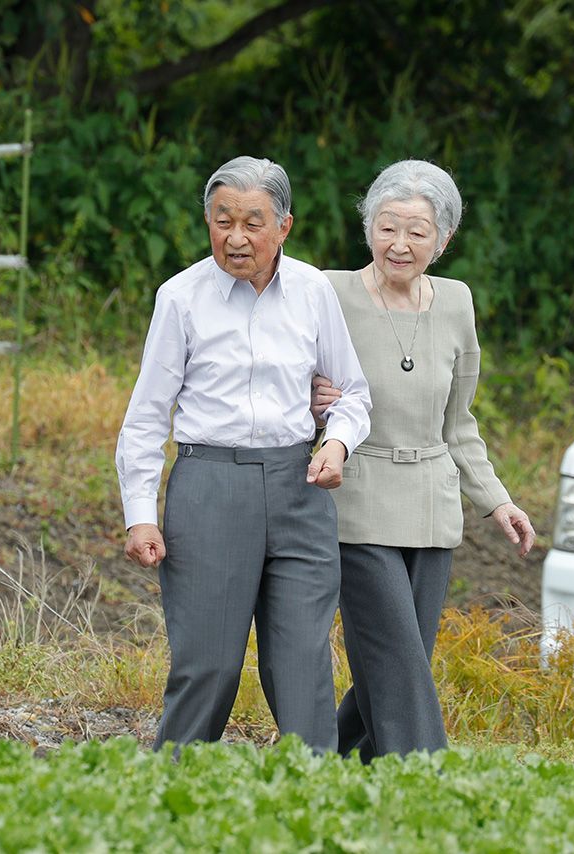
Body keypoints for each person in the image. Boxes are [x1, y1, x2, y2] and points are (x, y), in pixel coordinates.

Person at [116, 156, 373, 752]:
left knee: (304, 669)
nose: (235, 238)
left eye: (253, 223)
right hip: (210, 485)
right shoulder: (180, 297)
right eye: (222, 220)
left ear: (284, 226)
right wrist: (140, 513)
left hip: (299, 487)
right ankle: (168, 797)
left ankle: (315, 804)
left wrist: (335, 443)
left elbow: (354, 394)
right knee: (208, 665)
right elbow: (148, 415)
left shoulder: (313, 291)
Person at [310, 159, 536, 761]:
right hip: (356, 498)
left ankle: (327, 763)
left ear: (444, 239)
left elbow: (460, 424)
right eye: (387, 227)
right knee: (393, 652)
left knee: (403, 657)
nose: (399, 244)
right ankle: (426, 776)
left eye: (417, 231)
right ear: (367, 228)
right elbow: (284, 379)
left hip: (433, 508)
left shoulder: (457, 302)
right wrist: (308, 401)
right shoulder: (328, 292)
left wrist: (498, 500)